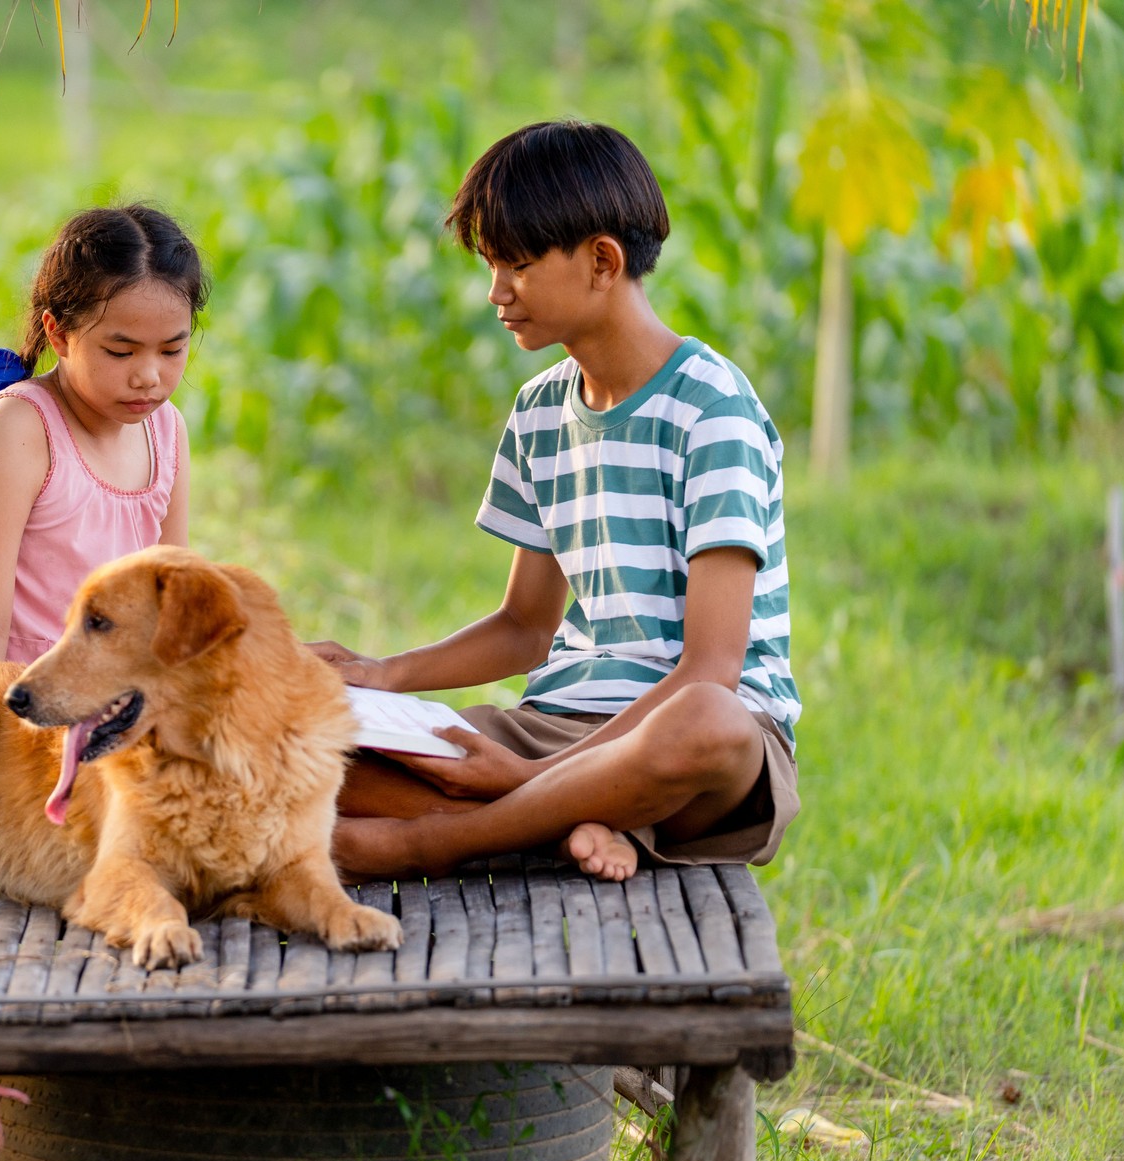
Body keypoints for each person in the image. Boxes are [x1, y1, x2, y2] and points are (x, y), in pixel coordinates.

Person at [311, 120, 801, 884]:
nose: (495, 293)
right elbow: (523, 629)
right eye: (490, 266)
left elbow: (713, 669)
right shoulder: (541, 411)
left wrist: (523, 777)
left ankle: (436, 842)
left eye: (516, 266)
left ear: (602, 261)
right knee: (309, 751)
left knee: (707, 725)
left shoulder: (714, 410)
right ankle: (575, 822)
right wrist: (384, 675)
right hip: (555, 725)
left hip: (688, 741)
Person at [0, 205, 206, 667]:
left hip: (113, 715)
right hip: (13, 717)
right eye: (121, 351)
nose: (149, 376)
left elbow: (173, 607)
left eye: (173, 349)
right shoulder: (17, 432)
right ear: (58, 334)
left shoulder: (166, 429)